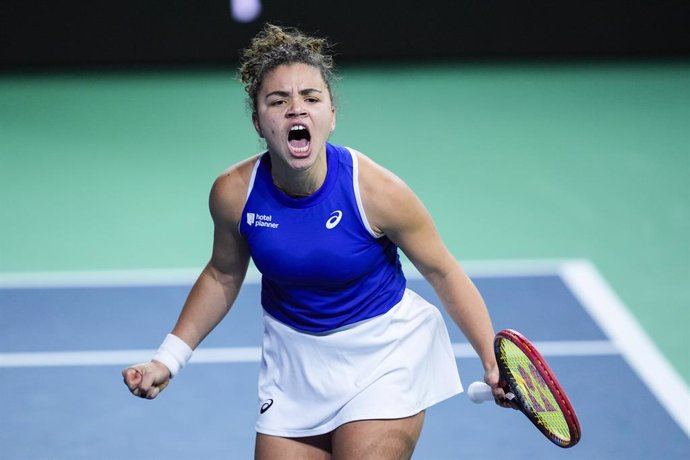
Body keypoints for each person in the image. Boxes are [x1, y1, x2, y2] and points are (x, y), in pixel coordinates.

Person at [123, 23, 509, 459]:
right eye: (278, 101)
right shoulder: (234, 193)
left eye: (311, 98)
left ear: (331, 114)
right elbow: (222, 274)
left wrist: (490, 356)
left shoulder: (376, 191)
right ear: (258, 122)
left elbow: (442, 270)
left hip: (383, 353)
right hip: (294, 366)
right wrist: (167, 360)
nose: (296, 110)